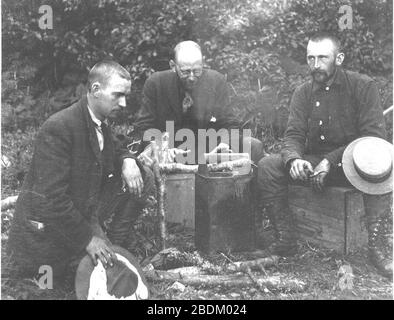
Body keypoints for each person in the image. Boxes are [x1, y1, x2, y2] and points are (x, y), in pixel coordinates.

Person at [257, 32, 392, 277]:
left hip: (353, 164)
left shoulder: (362, 86)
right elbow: (293, 134)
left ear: (338, 58)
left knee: (381, 166)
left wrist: (332, 160)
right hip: (314, 165)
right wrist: (294, 158)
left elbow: (373, 139)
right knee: (268, 165)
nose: (315, 65)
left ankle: (378, 250)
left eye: (322, 57)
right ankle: (286, 239)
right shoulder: (303, 92)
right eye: (310, 58)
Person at [7, 60, 155, 280]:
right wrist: (88, 239)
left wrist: (128, 160)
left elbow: (117, 146)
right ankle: (96, 250)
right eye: (117, 95)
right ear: (95, 90)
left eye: (126, 96)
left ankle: (114, 243)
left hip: (78, 216)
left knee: (144, 173)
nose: (123, 104)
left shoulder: (99, 123)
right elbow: (50, 199)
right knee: (82, 280)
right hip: (45, 235)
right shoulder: (60, 127)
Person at [132, 40, 264, 164]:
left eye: (197, 71)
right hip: (171, 150)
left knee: (254, 146)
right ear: (173, 66)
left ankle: (247, 189)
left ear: (202, 64)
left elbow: (230, 122)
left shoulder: (216, 81)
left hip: (210, 146)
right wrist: (160, 147)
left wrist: (225, 143)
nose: (191, 77)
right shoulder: (156, 83)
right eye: (185, 72)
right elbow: (143, 126)